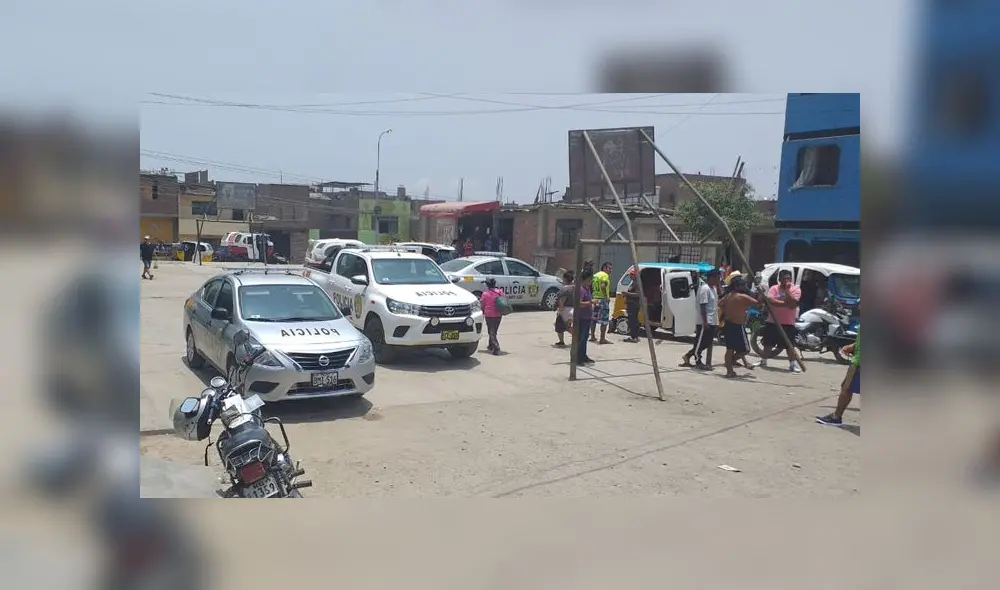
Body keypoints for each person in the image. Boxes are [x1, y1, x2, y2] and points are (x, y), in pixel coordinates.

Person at [817, 300, 861, 426]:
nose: (859, 306)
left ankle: (836, 417)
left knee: (846, 388)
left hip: (859, 363)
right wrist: (852, 346)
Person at [760, 269, 802, 372]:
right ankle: (763, 360)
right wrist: (787, 304)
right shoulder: (774, 288)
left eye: (788, 278)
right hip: (773, 320)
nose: (786, 280)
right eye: (784, 278)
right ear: (779, 279)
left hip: (788, 322)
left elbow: (794, 302)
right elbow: (771, 301)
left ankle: (792, 364)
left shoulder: (796, 289)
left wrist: (787, 292)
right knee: (768, 343)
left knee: (790, 345)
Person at [719, 276, 761, 378]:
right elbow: (758, 304)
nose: (744, 287)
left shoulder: (728, 296)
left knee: (730, 349)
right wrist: (761, 294)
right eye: (743, 285)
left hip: (728, 324)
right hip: (737, 326)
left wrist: (727, 311)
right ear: (738, 286)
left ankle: (729, 370)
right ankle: (732, 361)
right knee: (745, 350)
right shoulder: (742, 297)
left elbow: (720, 303)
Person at [681, 268, 721, 369]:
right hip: (704, 320)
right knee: (700, 341)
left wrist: (718, 285)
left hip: (712, 319)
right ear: (711, 278)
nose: (718, 280)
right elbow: (703, 306)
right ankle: (698, 360)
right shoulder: (705, 288)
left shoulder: (713, 288)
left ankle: (687, 356)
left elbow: (720, 295)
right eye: (717, 278)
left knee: (707, 342)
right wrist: (705, 321)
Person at [574, 269, 596, 365]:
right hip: (581, 318)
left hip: (587, 317)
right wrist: (590, 302)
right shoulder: (581, 290)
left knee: (585, 338)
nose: (591, 282)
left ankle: (583, 356)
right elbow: (578, 303)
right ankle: (578, 358)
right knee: (581, 338)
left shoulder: (587, 289)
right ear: (586, 279)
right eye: (590, 280)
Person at [480, 277, 505, 355]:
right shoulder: (500, 292)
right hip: (498, 314)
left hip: (489, 315)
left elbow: (482, 305)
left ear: (487, 285)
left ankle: (495, 346)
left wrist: (481, 312)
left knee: (491, 331)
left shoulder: (485, 294)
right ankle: (490, 345)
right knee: (494, 331)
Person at [590, 262, 613, 344]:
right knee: (604, 320)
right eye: (609, 268)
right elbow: (603, 286)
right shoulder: (605, 275)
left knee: (594, 319)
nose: (610, 270)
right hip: (602, 299)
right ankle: (602, 339)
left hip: (595, 299)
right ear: (604, 268)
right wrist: (606, 297)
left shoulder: (595, 275)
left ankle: (592, 336)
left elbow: (591, 286)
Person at [554, 270, 575, 347]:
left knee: (560, 326)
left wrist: (560, 310)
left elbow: (562, 300)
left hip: (566, 310)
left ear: (565, 279)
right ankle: (576, 339)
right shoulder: (574, 288)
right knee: (568, 326)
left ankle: (562, 341)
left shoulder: (565, 289)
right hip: (573, 310)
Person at [623, 267, 641, 343]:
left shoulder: (637, 283)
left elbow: (638, 294)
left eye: (632, 275)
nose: (630, 276)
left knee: (633, 321)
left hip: (633, 305)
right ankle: (635, 336)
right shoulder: (634, 282)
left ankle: (634, 337)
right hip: (631, 304)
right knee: (633, 320)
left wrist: (627, 293)